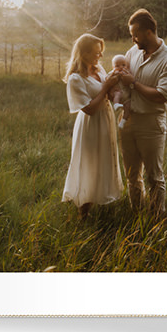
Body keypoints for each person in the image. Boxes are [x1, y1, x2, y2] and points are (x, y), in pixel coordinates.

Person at [117, 9, 167, 218]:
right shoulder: (132, 52)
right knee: (132, 175)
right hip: (127, 122)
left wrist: (134, 83)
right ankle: (135, 214)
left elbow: (161, 95)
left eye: (135, 34)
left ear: (148, 32)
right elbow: (123, 80)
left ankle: (156, 219)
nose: (133, 39)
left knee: (154, 177)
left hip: (151, 123)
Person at [62, 33, 124, 219]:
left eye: (100, 52)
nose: (100, 56)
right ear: (84, 53)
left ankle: (97, 199)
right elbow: (88, 109)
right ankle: (83, 211)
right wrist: (106, 88)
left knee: (102, 160)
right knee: (89, 163)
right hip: (91, 123)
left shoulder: (98, 69)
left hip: (105, 120)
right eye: (97, 53)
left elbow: (107, 93)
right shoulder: (75, 78)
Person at [109, 53, 131, 129]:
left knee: (128, 107)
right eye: (117, 66)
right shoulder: (113, 73)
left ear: (127, 66)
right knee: (117, 94)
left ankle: (123, 121)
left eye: (123, 65)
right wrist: (113, 74)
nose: (121, 67)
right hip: (118, 91)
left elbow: (131, 79)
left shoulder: (127, 73)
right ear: (113, 67)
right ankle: (116, 104)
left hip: (127, 96)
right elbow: (107, 79)